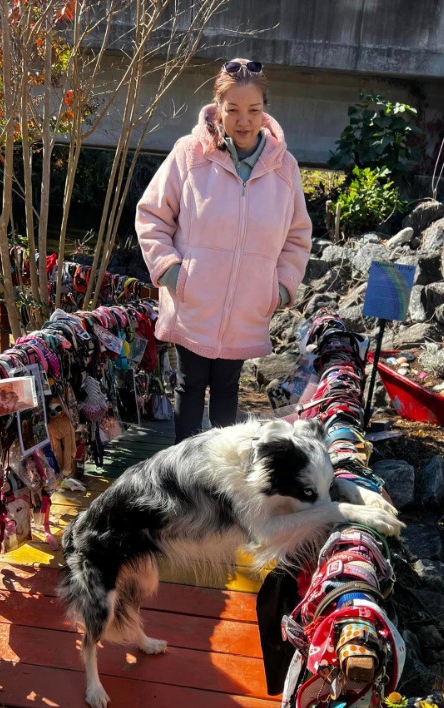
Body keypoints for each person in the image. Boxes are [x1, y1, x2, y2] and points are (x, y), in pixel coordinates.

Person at [136, 58, 312, 442]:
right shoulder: (189, 154)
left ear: (265, 110)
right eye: (233, 110)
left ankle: (219, 485)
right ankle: (182, 485)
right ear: (218, 108)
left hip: (248, 308)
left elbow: (298, 237)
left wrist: (279, 289)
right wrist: (172, 273)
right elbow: (151, 215)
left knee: (227, 392)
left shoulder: (284, 169)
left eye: (254, 110)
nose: (243, 121)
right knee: (189, 386)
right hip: (193, 302)